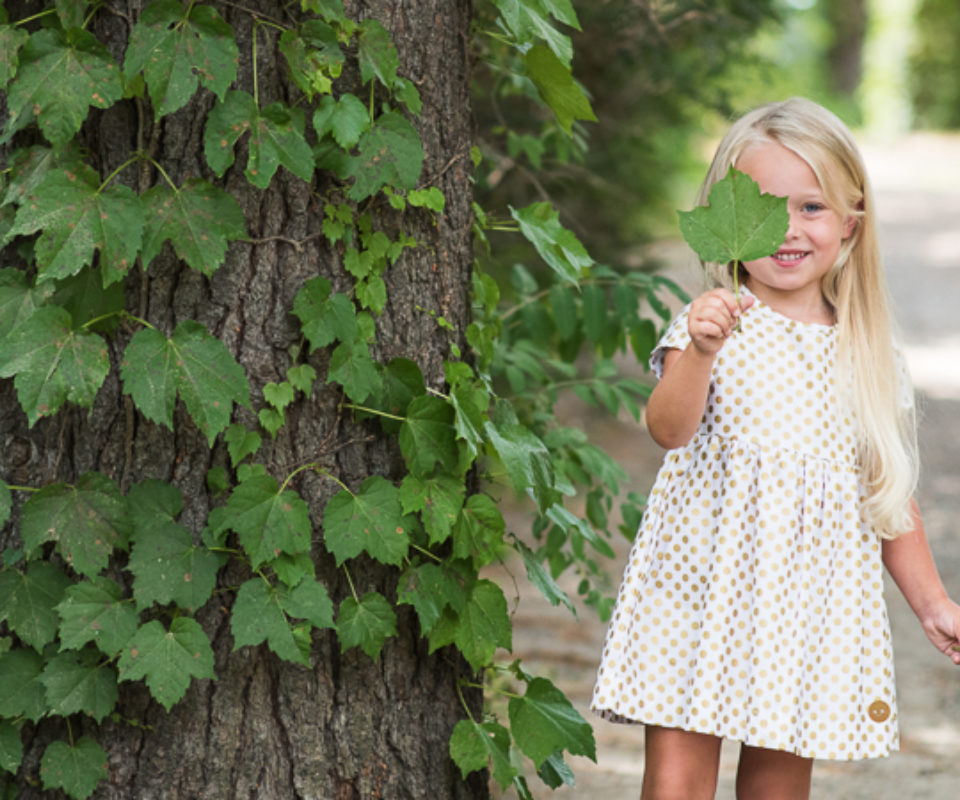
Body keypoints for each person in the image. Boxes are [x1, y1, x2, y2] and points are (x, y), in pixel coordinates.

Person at [590, 97, 960, 800]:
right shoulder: (711, 323)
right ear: (724, 219)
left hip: (808, 601)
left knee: (777, 787)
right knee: (675, 784)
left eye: (811, 208)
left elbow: (889, 491)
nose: (786, 230)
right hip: (696, 585)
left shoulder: (868, 349)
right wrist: (700, 350)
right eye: (761, 208)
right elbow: (668, 429)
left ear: (851, 223)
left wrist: (934, 601)